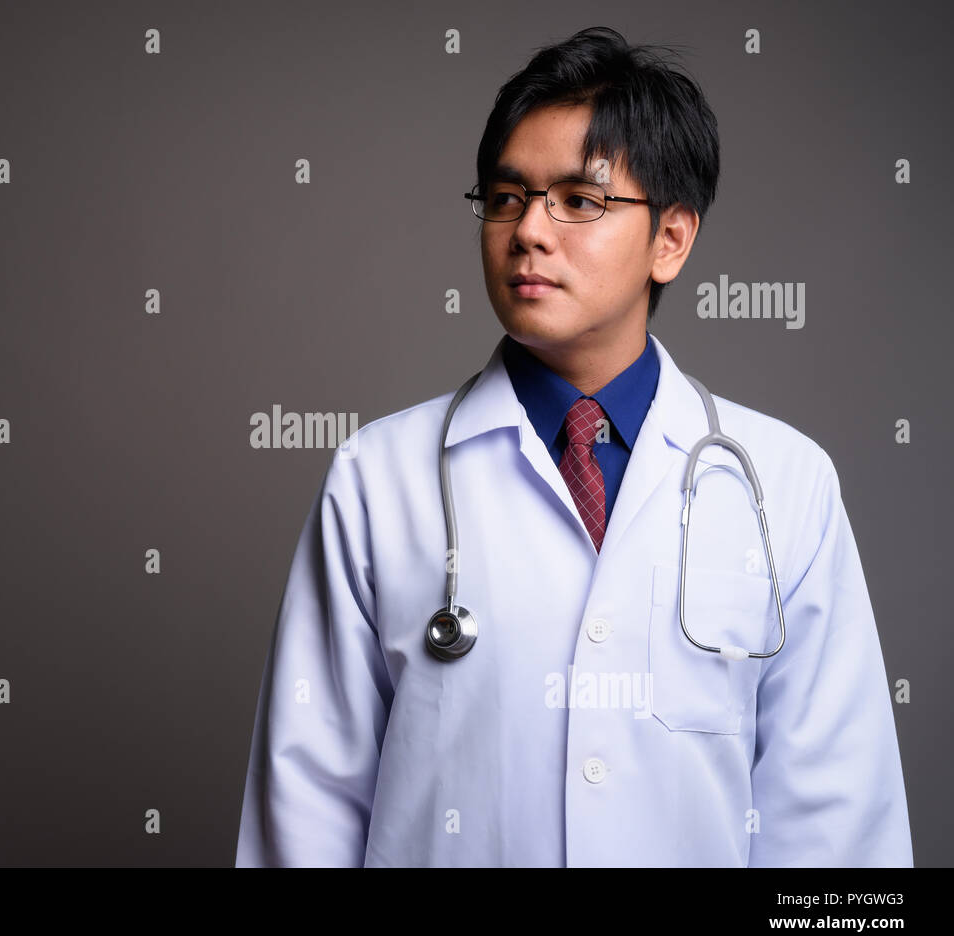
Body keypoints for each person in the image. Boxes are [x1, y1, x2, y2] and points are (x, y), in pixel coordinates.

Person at [233, 27, 912, 867]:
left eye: (580, 201)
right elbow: (306, 813)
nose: (528, 232)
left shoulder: (786, 484)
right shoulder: (377, 480)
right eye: (507, 196)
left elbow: (837, 829)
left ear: (672, 239)